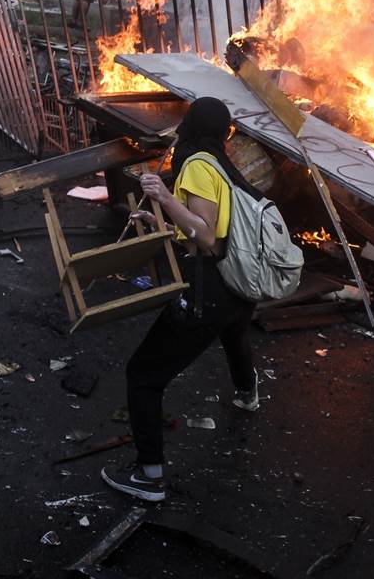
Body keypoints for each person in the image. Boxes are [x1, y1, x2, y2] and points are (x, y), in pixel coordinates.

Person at [101, 97, 262, 503]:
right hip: (239, 284)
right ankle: (248, 394)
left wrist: (164, 196)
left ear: (189, 126)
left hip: (212, 289)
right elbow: (213, 231)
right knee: (235, 332)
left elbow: (205, 237)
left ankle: (149, 477)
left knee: (142, 374)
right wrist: (163, 221)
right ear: (223, 133)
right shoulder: (225, 166)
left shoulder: (197, 165)